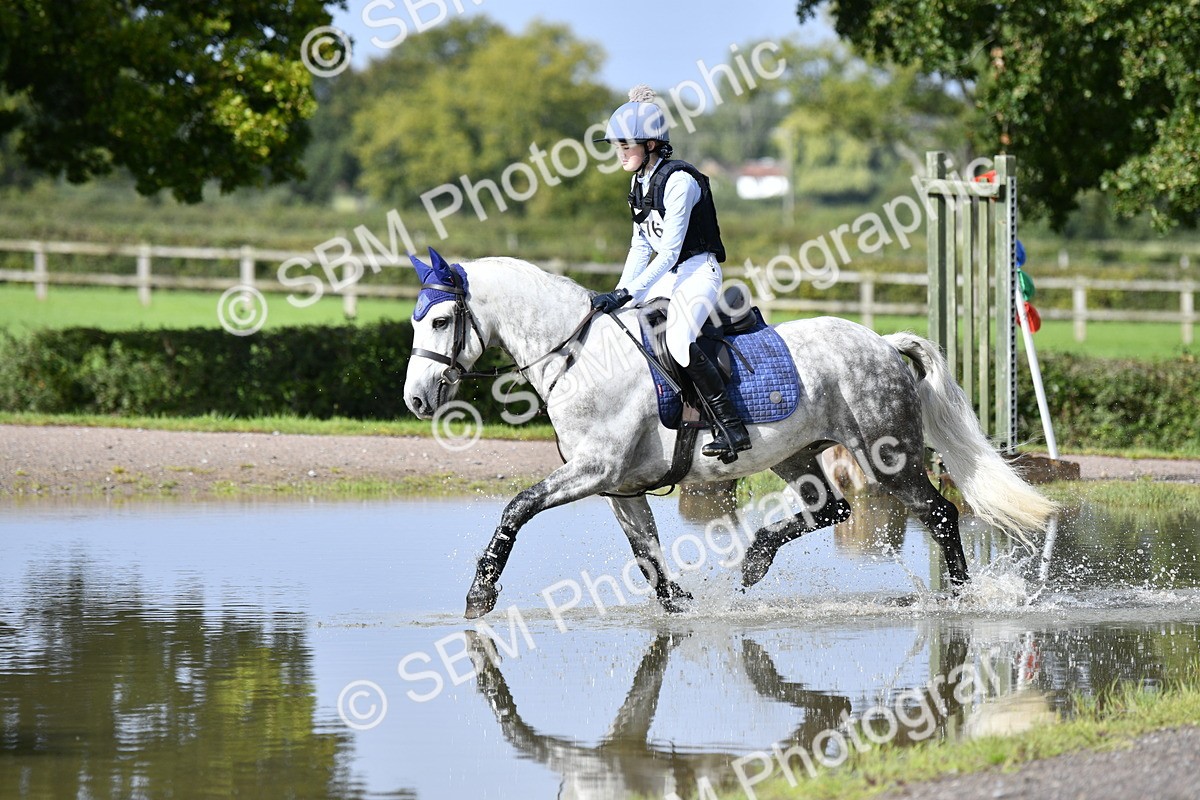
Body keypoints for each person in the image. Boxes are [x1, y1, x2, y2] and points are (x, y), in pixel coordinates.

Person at [591, 86, 751, 461]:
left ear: (650, 144)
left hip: (697, 271)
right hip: (667, 273)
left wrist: (627, 291)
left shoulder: (680, 181)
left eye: (626, 145)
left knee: (679, 341)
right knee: (625, 323)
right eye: (617, 146)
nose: (620, 152)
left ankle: (731, 427)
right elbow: (640, 247)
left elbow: (668, 253)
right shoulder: (638, 182)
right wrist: (619, 295)